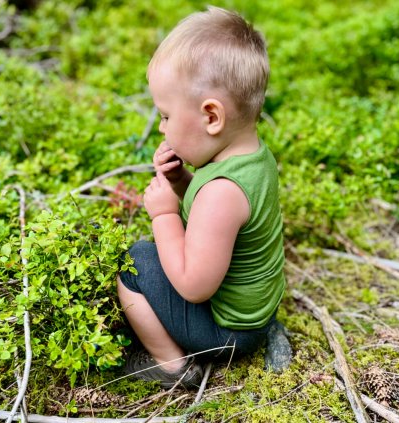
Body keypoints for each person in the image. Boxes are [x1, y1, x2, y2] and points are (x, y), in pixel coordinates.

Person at [117, 5, 290, 389]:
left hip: (228, 334)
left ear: (211, 117)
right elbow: (214, 219)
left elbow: (194, 286)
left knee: (135, 263)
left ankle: (172, 366)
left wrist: (164, 215)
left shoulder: (221, 193)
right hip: (252, 316)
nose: (162, 128)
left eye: (165, 116)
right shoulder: (252, 158)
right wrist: (181, 181)